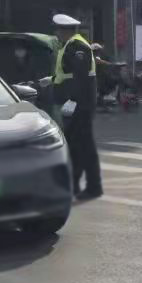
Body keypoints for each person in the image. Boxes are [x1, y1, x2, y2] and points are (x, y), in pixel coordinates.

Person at [52, 13, 102, 201]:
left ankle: (93, 187)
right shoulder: (70, 45)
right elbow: (68, 74)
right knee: (76, 146)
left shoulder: (78, 46)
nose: (57, 33)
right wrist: (50, 81)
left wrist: (72, 100)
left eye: (58, 30)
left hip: (80, 105)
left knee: (84, 147)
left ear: (65, 31)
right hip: (77, 104)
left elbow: (80, 77)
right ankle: (74, 185)